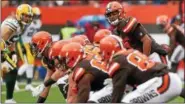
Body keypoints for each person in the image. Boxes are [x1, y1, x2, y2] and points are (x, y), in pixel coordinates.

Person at [99, 35, 183, 103]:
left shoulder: (117, 61)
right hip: (168, 79)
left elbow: (118, 88)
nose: (101, 56)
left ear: (108, 51)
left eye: (101, 52)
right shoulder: (130, 52)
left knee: (127, 101)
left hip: (163, 83)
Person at [104, 1, 169, 64]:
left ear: (121, 12)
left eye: (114, 13)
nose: (112, 17)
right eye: (109, 15)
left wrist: (144, 60)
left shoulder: (130, 24)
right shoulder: (115, 32)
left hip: (152, 55)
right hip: (138, 59)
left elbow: (147, 41)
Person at [0, 4, 33, 103]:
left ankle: (9, 99)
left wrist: (13, 52)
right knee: (11, 70)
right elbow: (1, 41)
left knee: (12, 70)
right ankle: (9, 99)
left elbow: (12, 40)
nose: (27, 18)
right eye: (25, 15)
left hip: (3, 48)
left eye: (29, 16)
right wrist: (4, 54)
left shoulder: (20, 25)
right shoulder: (12, 23)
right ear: (19, 14)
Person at [30, 31, 70, 103]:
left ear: (43, 43)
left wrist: (43, 85)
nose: (34, 48)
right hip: (77, 68)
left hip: (84, 65)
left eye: (35, 45)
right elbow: (48, 79)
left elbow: (60, 72)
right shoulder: (46, 57)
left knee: (62, 81)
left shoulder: (54, 50)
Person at [16, 7, 42, 90]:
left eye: (38, 16)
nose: (37, 18)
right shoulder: (26, 23)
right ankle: (15, 81)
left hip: (30, 45)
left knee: (30, 64)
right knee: (27, 64)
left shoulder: (38, 23)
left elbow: (36, 35)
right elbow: (19, 34)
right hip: (23, 44)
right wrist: (21, 45)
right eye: (36, 16)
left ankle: (28, 84)